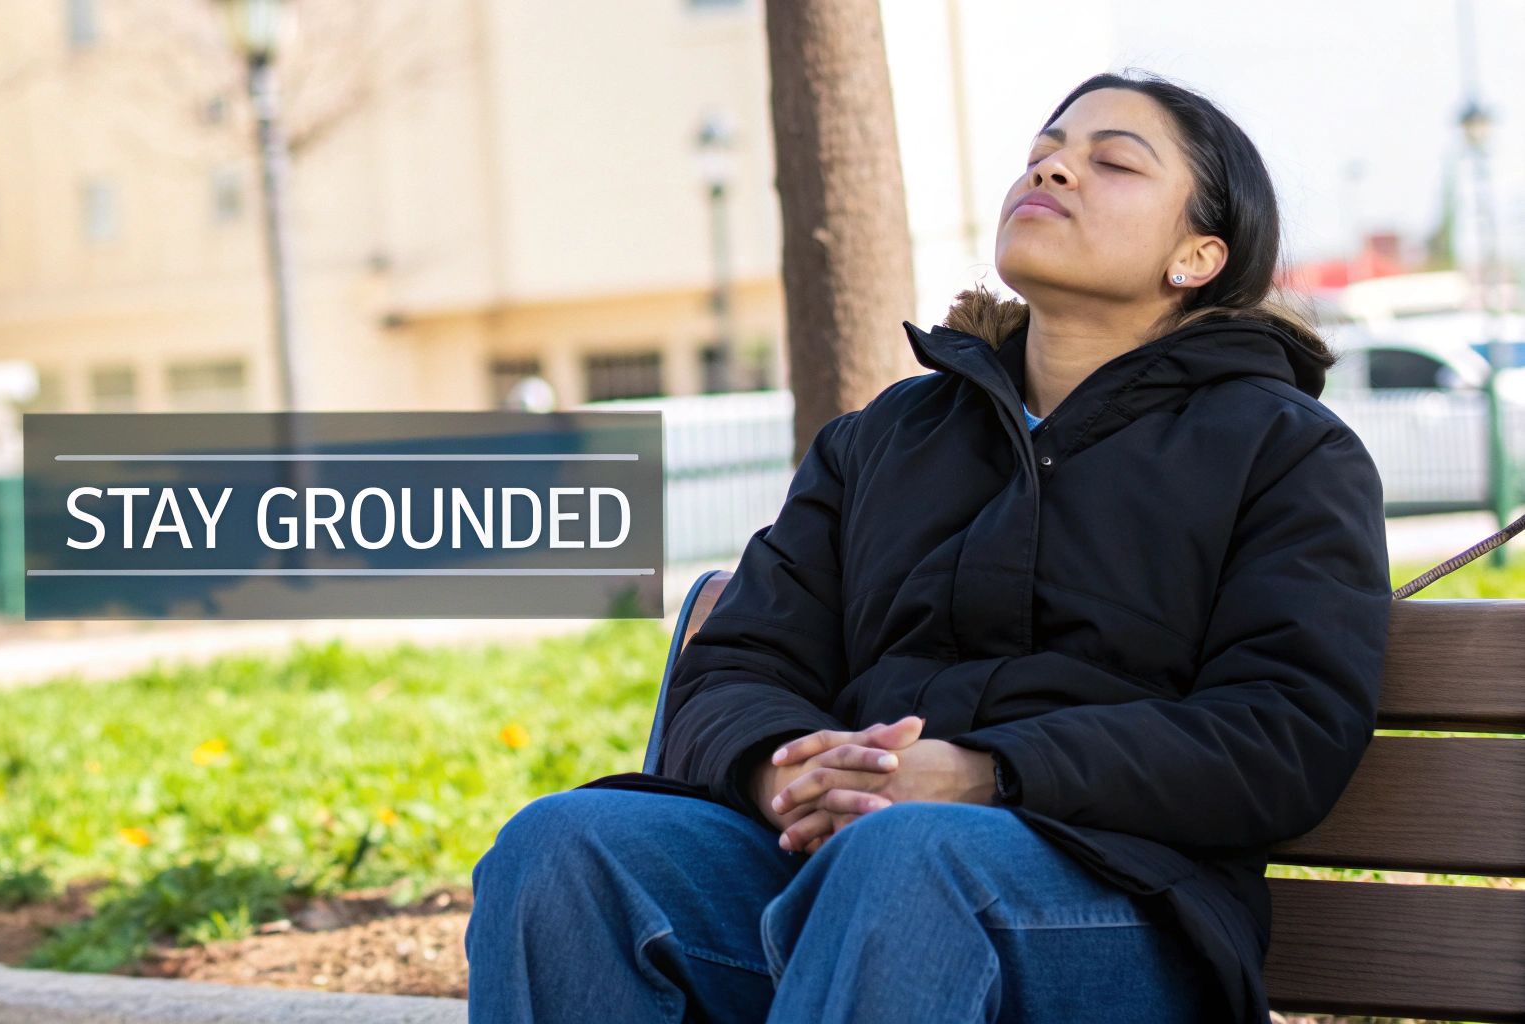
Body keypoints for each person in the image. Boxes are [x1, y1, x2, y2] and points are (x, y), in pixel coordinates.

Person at [464, 69, 1391, 1023]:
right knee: (563, 848)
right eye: (1043, 153)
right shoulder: (888, 438)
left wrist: (982, 775)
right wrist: (782, 768)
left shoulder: (1284, 451)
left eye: (1111, 162)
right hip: (852, 859)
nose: (1056, 169)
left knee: (905, 862)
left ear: (1196, 256)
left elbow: (1281, 732)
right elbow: (739, 660)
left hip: (1124, 905)